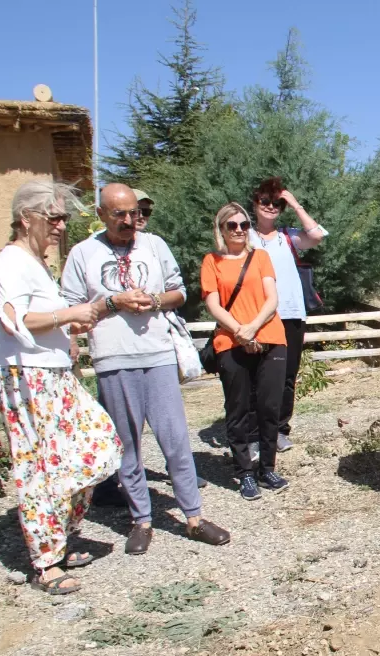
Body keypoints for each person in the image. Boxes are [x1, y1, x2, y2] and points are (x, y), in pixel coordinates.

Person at [61, 184, 231, 553]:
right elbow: (71, 310)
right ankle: (141, 520)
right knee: (127, 447)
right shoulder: (83, 253)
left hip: (157, 355)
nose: (128, 221)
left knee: (175, 440)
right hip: (112, 358)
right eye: (118, 214)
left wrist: (154, 299)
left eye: (132, 213)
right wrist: (112, 302)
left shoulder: (154, 245)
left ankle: (194, 517)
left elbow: (180, 292)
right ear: (102, 214)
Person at [0, 180, 122, 595]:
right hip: (28, 376)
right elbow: (18, 320)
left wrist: (70, 324)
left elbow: (44, 319)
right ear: (25, 218)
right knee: (40, 469)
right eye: (55, 217)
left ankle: (59, 538)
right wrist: (72, 313)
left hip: (54, 372)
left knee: (98, 447)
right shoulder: (10, 262)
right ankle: (45, 564)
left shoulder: (35, 262)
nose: (62, 225)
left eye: (64, 217)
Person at [200, 202, 290, 501]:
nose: (239, 230)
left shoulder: (260, 256)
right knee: (238, 409)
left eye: (244, 225)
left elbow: (271, 297)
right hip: (231, 340)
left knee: (269, 407)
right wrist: (240, 331)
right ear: (221, 229)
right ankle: (244, 472)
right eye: (232, 226)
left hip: (269, 336)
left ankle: (267, 468)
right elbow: (213, 304)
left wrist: (253, 327)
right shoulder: (212, 261)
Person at [248, 177, 327, 454]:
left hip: (291, 314)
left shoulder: (287, 236)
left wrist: (294, 203)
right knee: (256, 375)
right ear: (255, 203)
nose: (270, 207)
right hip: (258, 316)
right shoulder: (244, 236)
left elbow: (316, 235)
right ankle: (255, 432)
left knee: (287, 376)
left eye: (276, 203)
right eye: (265, 201)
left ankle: (279, 429)